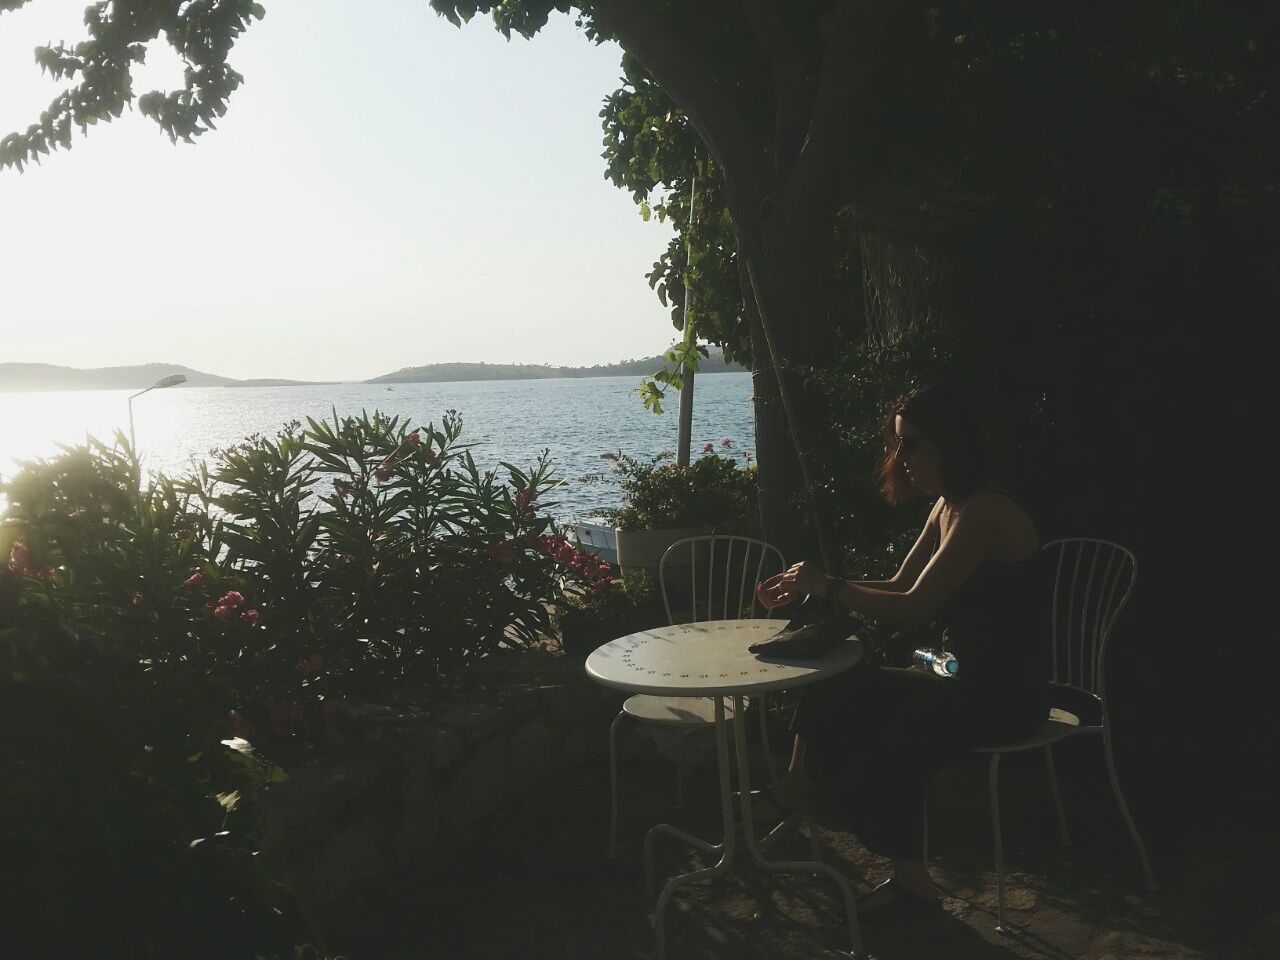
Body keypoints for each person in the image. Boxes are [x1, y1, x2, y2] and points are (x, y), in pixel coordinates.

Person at [753, 382, 1049, 917]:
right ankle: (797, 787)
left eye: (910, 444)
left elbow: (915, 607)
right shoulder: (949, 505)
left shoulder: (983, 511)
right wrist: (815, 584)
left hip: (1005, 695)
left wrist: (829, 588)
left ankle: (912, 884)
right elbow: (898, 583)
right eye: (898, 444)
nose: (900, 458)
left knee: (893, 731)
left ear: (948, 442)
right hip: (961, 677)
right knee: (837, 676)